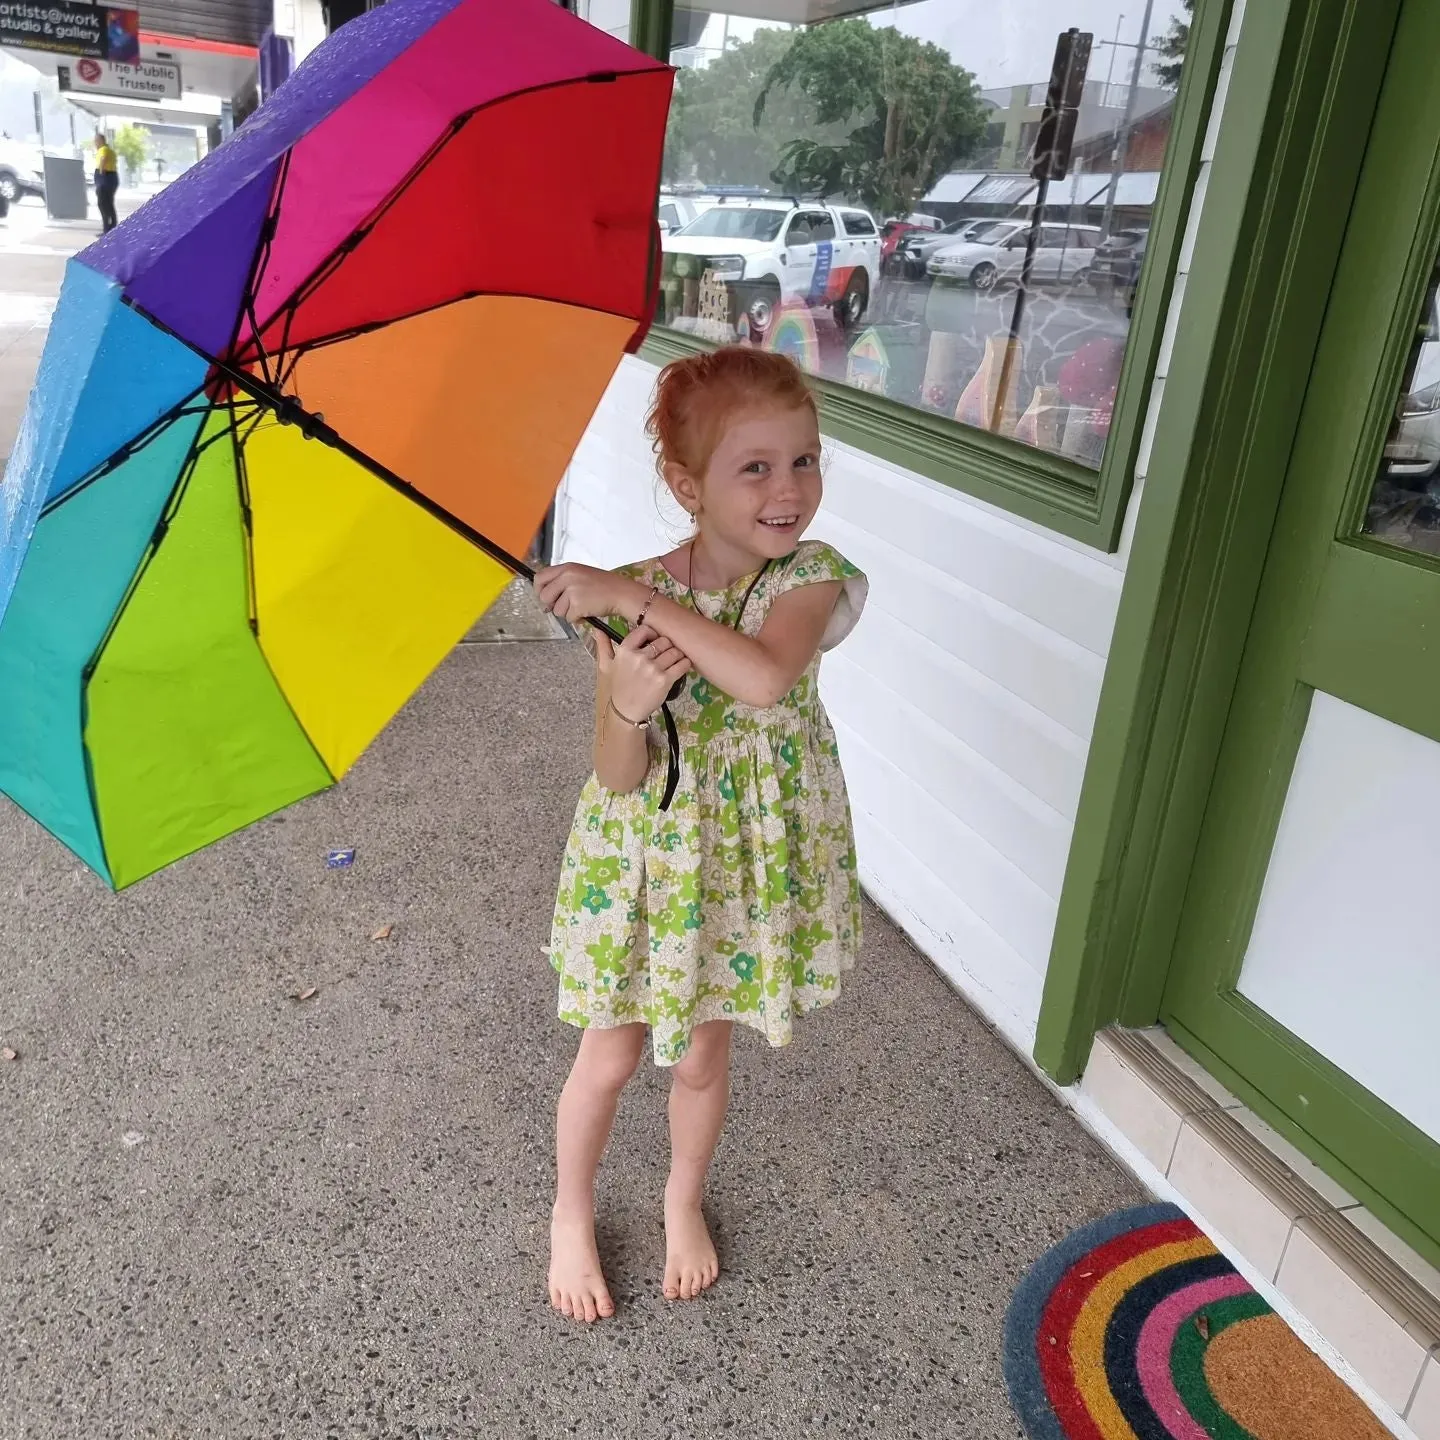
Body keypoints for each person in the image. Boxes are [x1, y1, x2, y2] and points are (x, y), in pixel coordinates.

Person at [534, 347, 868, 1324]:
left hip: (739, 870)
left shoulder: (809, 578)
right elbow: (615, 775)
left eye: (804, 461)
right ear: (686, 485)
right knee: (610, 1054)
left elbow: (764, 678)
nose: (789, 489)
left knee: (702, 1058)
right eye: (755, 467)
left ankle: (682, 1198)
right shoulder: (625, 594)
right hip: (645, 868)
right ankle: (568, 1212)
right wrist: (628, 705)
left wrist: (631, 599)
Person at [93, 132, 119, 233]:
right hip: (111, 178)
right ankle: (112, 227)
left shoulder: (103, 149)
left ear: (101, 141)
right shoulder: (110, 150)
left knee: (102, 204)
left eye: (96, 141)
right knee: (109, 204)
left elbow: (103, 159)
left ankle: (107, 229)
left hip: (105, 178)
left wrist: (101, 171)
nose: (95, 143)